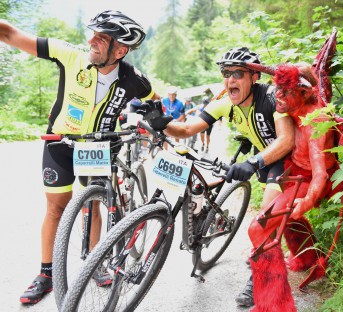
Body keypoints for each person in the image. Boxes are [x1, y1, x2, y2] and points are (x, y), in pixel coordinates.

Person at [0, 10, 161, 304]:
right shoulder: (71, 55)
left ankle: (95, 263)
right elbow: (10, 34)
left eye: (101, 38)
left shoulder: (134, 79)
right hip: (60, 144)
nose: (91, 41)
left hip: (99, 147)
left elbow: (155, 100)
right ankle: (45, 274)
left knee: (93, 203)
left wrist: (152, 119)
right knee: (55, 208)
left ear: (120, 49)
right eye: (93, 35)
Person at [142, 47, 295, 308]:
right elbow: (187, 128)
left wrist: (254, 161)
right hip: (263, 158)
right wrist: (161, 122)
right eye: (226, 73)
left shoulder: (272, 97)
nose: (231, 79)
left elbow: (287, 139)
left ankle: (259, 281)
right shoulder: (226, 101)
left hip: (289, 161)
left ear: (254, 77)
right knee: (280, 220)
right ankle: (287, 252)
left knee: (264, 223)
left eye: (238, 73)